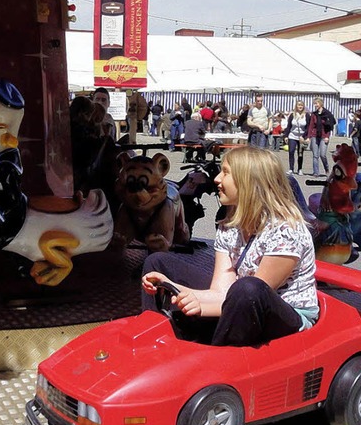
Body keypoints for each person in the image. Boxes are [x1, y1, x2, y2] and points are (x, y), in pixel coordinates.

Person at [141, 146, 318, 347]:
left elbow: (254, 297)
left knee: (248, 287)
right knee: (157, 262)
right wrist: (175, 288)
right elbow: (221, 291)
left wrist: (200, 306)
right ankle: (152, 342)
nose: (216, 179)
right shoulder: (229, 226)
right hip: (240, 300)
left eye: (225, 173)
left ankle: (216, 359)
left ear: (249, 182)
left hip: (284, 312)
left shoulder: (286, 230)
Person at [306, 97, 336, 177]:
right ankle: (316, 172)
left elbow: (329, 126)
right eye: (314, 104)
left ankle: (326, 169)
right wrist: (308, 137)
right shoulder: (314, 114)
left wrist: (327, 136)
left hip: (324, 135)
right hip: (314, 135)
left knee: (323, 154)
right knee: (315, 155)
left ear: (321, 103)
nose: (315, 105)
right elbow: (311, 126)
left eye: (317, 103)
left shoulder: (327, 113)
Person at [283, 100, 310, 175]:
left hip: (302, 137)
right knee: (291, 151)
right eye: (299, 105)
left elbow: (308, 127)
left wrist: (305, 136)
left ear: (303, 106)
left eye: (301, 105)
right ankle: (291, 169)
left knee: (300, 153)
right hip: (292, 135)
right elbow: (289, 126)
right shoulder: (292, 115)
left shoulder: (307, 115)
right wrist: (286, 136)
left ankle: (300, 169)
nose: (300, 107)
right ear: (296, 106)